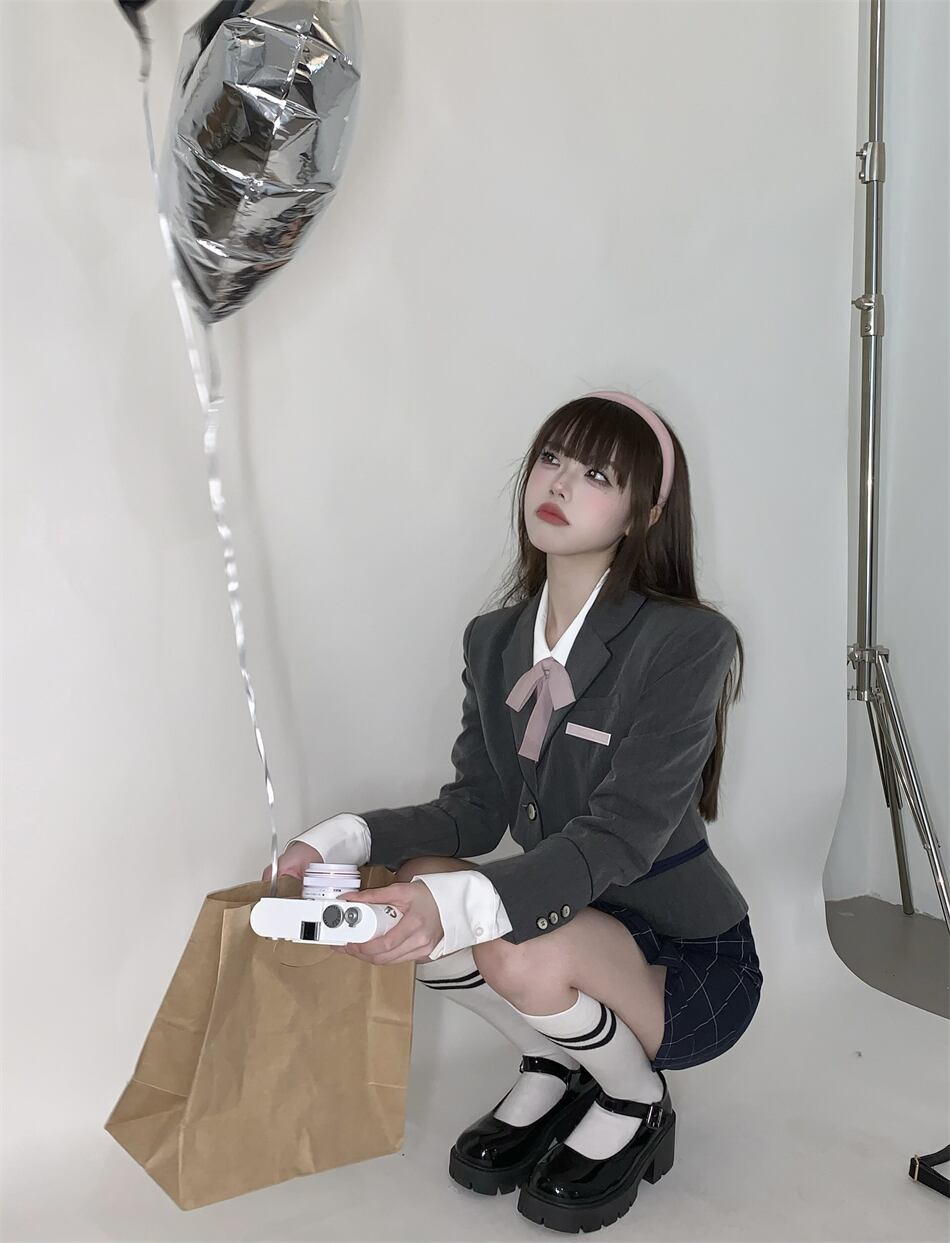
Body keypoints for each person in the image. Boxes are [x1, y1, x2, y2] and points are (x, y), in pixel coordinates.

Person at [262, 391, 763, 1234]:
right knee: (413, 884)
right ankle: (553, 1061)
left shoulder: (687, 642)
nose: (559, 482)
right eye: (552, 458)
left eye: (597, 474)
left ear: (644, 513)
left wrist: (460, 905)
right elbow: (475, 807)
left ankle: (635, 1098)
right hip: (567, 921)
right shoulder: (493, 639)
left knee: (498, 931)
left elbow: (622, 834)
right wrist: (344, 838)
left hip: (684, 959)